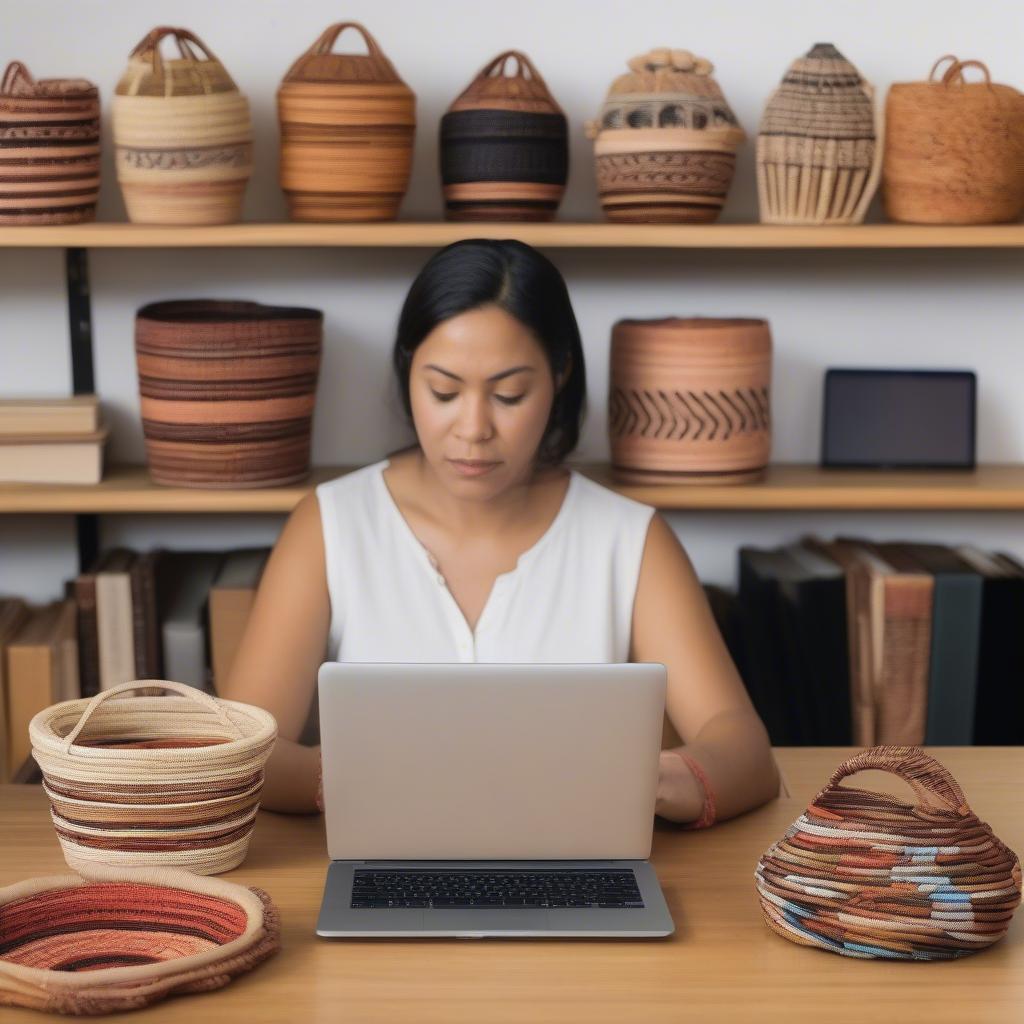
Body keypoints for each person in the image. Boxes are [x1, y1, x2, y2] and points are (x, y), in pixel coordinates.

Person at [220, 238, 780, 823]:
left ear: (559, 375)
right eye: (443, 391)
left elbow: (742, 747)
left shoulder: (629, 539)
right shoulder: (332, 523)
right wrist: (359, 780)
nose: (473, 428)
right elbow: (244, 755)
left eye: (509, 394)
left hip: (574, 862)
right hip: (387, 858)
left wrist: (653, 782)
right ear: (409, 370)